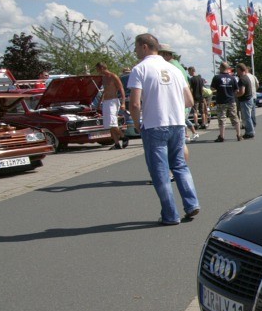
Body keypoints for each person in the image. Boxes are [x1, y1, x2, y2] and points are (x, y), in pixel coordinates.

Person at [127, 33, 199, 226]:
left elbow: (134, 104)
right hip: (177, 122)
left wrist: (137, 124)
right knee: (180, 165)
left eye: (136, 47)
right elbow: (189, 101)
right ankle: (191, 203)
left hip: (154, 124)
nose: (135, 51)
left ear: (144, 47)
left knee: (160, 172)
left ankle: (170, 214)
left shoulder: (140, 69)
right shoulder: (174, 69)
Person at [95, 62, 127, 150]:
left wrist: (123, 103)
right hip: (106, 102)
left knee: (112, 123)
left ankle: (123, 137)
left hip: (113, 101)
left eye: (98, 69)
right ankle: (116, 144)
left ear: (102, 68)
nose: (97, 71)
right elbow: (105, 91)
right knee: (109, 125)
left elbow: (121, 89)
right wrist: (99, 102)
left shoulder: (113, 76)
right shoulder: (104, 78)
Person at [211, 61, 241, 142]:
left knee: (222, 118)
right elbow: (237, 90)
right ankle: (238, 135)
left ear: (220, 67)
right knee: (234, 117)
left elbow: (212, 88)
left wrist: (219, 89)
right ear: (228, 68)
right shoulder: (232, 78)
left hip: (221, 100)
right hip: (231, 100)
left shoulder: (216, 77)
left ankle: (222, 136)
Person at [235, 63, 256, 139]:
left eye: (237, 70)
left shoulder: (242, 79)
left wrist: (236, 95)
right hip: (249, 98)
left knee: (246, 117)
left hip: (245, 100)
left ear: (240, 70)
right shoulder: (247, 77)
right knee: (248, 117)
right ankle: (249, 131)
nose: (236, 72)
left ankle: (250, 132)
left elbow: (242, 92)